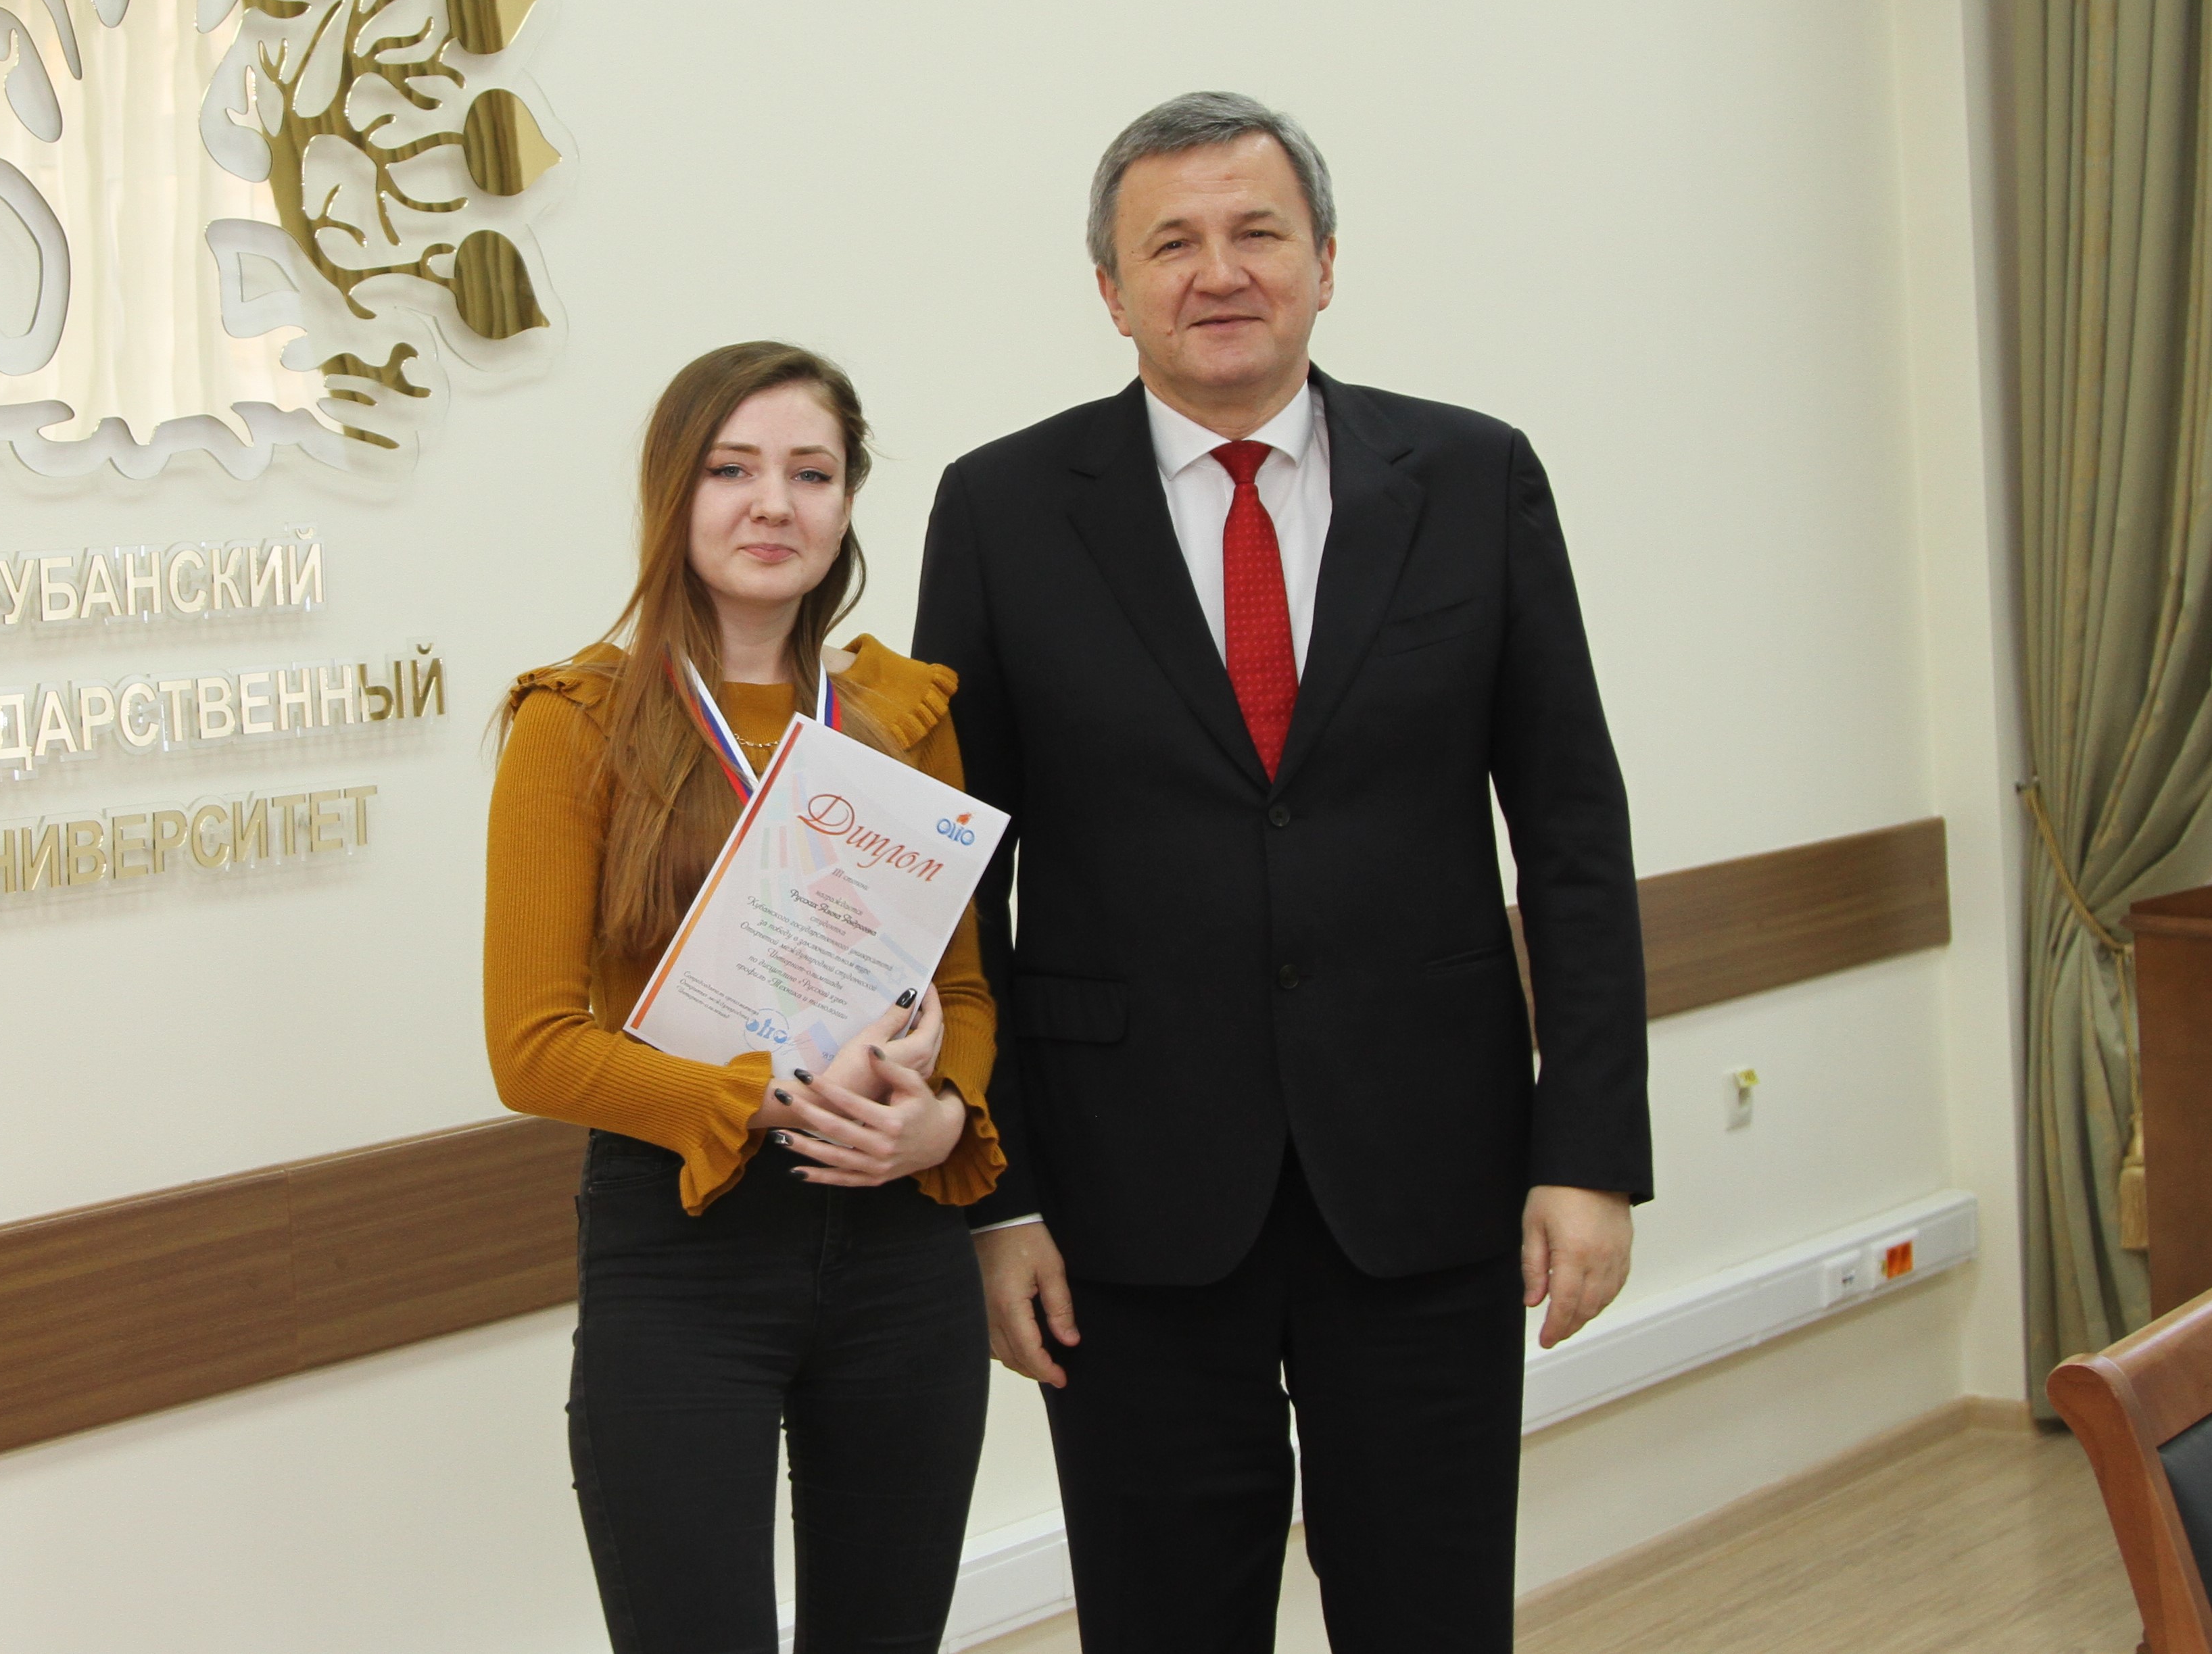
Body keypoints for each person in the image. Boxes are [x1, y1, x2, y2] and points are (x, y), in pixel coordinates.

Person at [914, 94, 1650, 1651]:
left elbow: (1574, 836)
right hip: (1123, 1201)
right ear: (1110, 291)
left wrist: (1589, 1151)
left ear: (1325, 261)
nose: (1220, 271)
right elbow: (956, 882)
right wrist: (996, 1195)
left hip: (1431, 1172)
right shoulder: (1002, 508)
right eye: (1170, 243)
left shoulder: (1475, 478)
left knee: (1434, 1614)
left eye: (1257, 231)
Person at [487, 341, 1006, 1654]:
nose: (774, 504)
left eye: (811, 474)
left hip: (899, 1250)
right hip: (685, 1252)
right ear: (674, 494)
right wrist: (767, 1099)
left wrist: (941, 1118)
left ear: (847, 503)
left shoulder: (903, 713)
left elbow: (960, 986)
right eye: (733, 470)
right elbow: (533, 1048)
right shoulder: (577, 720)